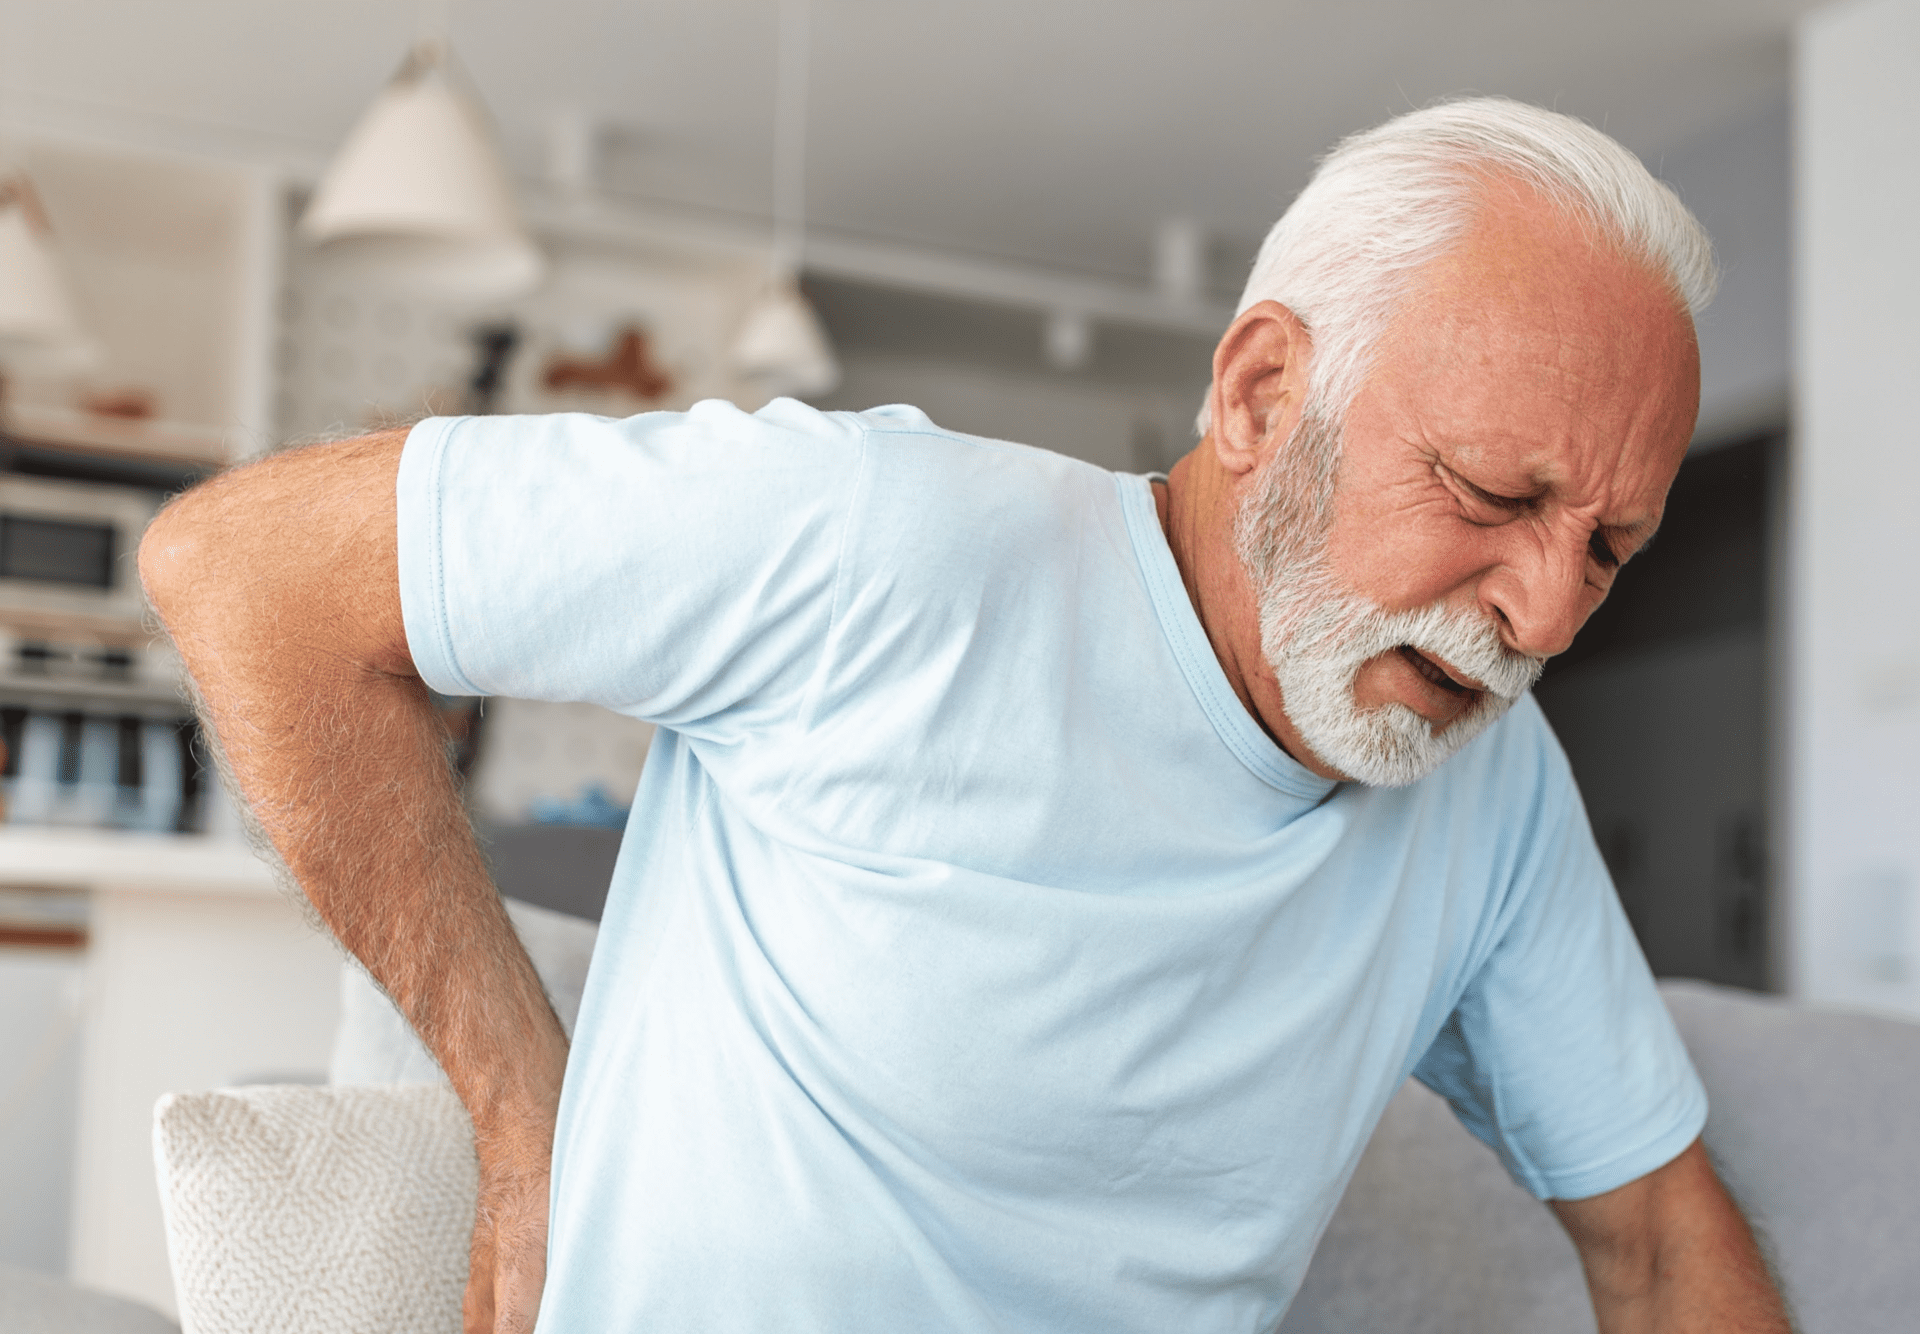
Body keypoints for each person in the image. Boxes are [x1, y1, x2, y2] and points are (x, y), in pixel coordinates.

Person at [140, 97, 1793, 1333]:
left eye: (1611, 550)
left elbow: (1656, 1235)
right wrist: (519, 1113)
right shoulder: (880, 538)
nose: (1545, 613)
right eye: (1494, 491)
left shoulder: (1491, 790)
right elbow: (244, 571)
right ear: (1262, 395)